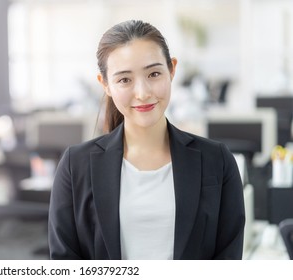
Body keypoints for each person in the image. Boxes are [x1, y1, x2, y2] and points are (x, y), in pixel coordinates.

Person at [48, 20, 245, 260]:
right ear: (105, 84)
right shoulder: (75, 165)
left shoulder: (217, 161)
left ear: (172, 70)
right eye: (124, 79)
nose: (142, 92)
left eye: (153, 73)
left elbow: (228, 261)